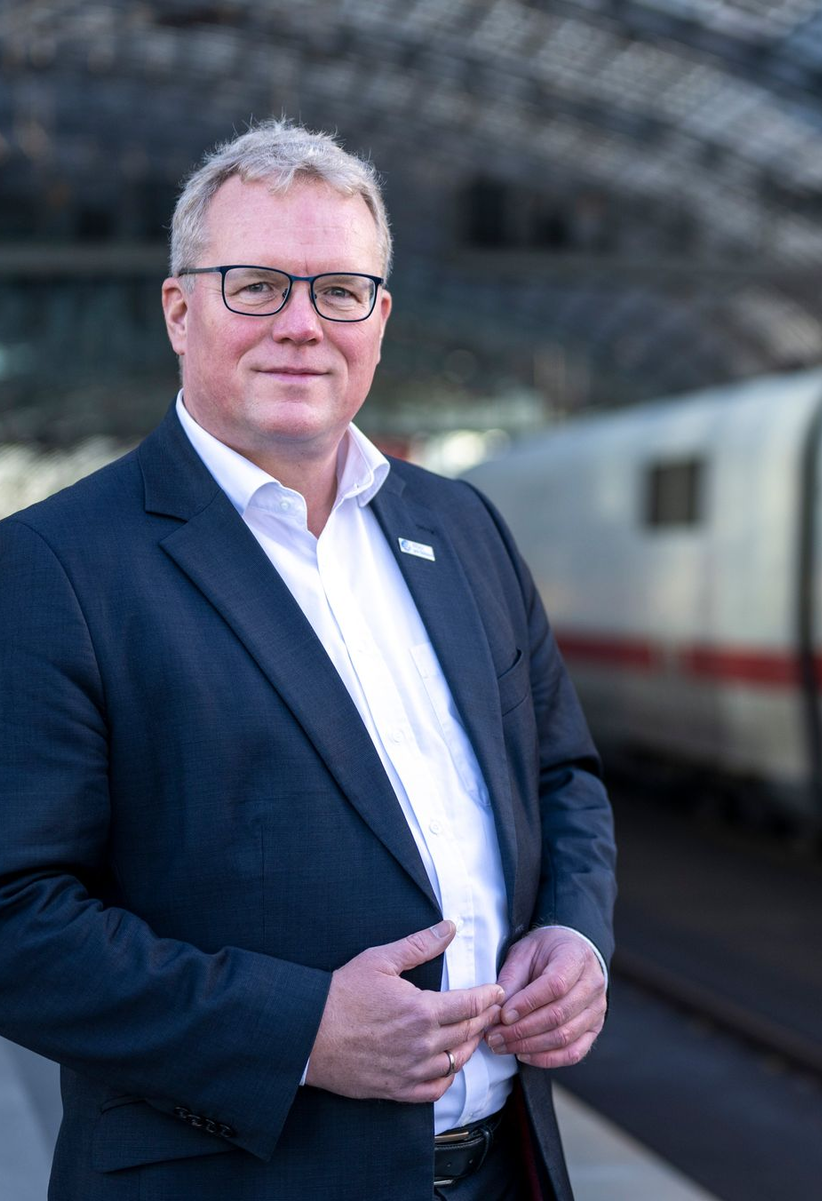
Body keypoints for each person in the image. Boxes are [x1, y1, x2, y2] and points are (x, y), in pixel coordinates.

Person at [0, 119, 616, 1201]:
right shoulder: (54, 565)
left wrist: (576, 931)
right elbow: (14, 915)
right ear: (178, 310)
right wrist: (299, 1031)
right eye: (255, 286)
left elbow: (563, 777)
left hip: (504, 1171)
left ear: (379, 320)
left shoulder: (463, 527)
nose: (301, 325)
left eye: (338, 290)